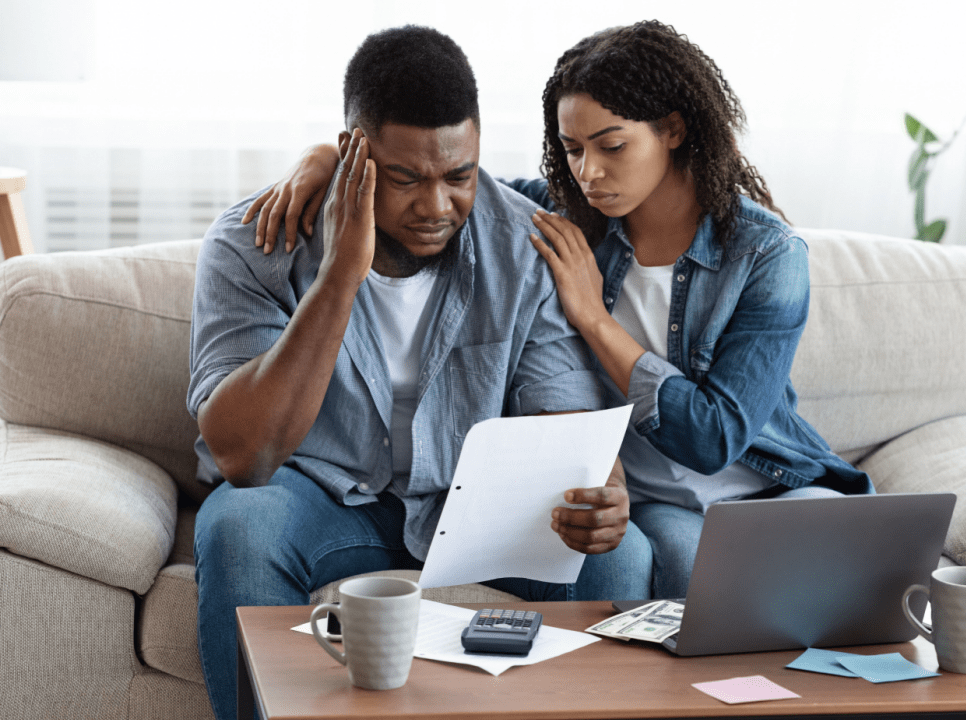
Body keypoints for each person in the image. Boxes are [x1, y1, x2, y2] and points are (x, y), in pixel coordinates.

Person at [247, 21, 872, 604]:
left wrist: (594, 320)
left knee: (851, 569)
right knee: (688, 568)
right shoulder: (568, 216)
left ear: (675, 130)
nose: (590, 172)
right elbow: (447, 187)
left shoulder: (767, 255)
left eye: (612, 146)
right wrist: (328, 162)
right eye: (572, 149)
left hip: (762, 478)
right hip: (646, 499)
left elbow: (711, 439)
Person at [189, 26, 650, 720]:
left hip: (476, 516)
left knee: (622, 555)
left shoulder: (523, 247)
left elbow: (566, 428)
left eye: (459, 177)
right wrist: (342, 272)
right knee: (239, 527)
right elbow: (243, 456)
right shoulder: (256, 242)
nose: (437, 207)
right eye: (406, 179)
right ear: (353, 153)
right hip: (318, 501)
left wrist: (599, 492)